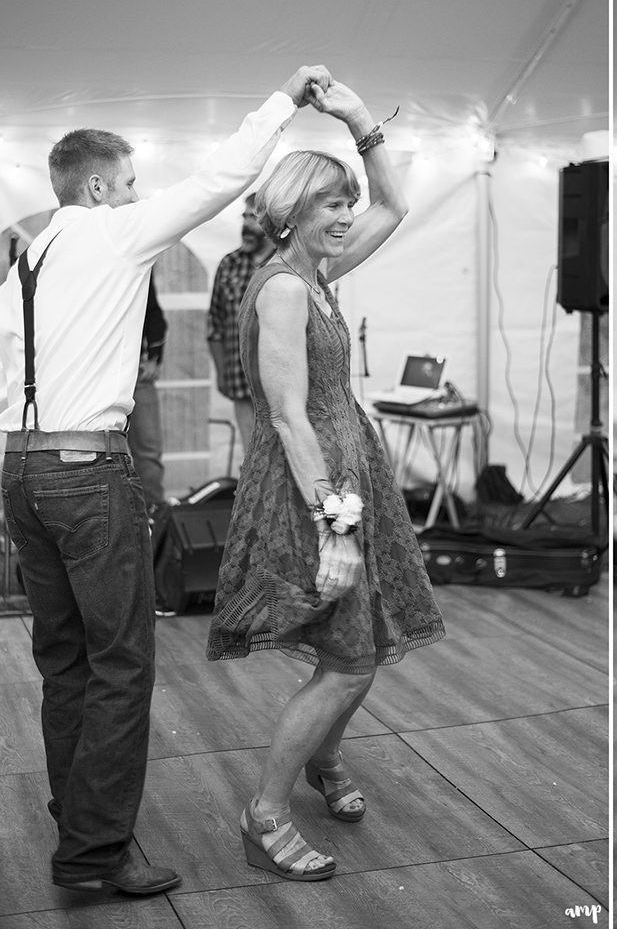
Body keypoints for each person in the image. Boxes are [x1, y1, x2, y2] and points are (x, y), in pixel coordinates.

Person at [0, 65, 332, 896]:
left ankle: (78, 821)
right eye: (133, 181)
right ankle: (94, 855)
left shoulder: (26, 262)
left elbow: (2, 378)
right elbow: (226, 176)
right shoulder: (113, 231)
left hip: (22, 470)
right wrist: (286, 98)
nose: (143, 194)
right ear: (100, 185)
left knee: (65, 660)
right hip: (84, 474)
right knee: (121, 664)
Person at [205, 79, 446, 882]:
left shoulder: (316, 274)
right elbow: (286, 417)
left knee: (360, 645)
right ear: (292, 214)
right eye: (332, 207)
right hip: (316, 487)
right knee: (348, 659)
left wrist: (355, 119)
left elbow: (396, 205)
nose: (348, 215)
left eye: (346, 204)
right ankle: (265, 811)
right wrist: (335, 525)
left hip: (348, 472)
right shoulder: (281, 289)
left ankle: (322, 762)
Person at [207, 192, 273, 458]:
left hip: (281, 384)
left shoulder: (288, 263)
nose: (246, 225)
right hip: (240, 380)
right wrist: (221, 372)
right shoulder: (229, 264)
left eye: (253, 218)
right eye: (244, 217)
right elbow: (215, 323)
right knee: (253, 457)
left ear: (272, 222)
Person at [128, 274, 167, 505]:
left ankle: (155, 518)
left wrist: (154, 357)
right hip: (96, 374)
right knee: (102, 452)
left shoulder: (138, 260)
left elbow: (153, 313)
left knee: (148, 452)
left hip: (136, 371)